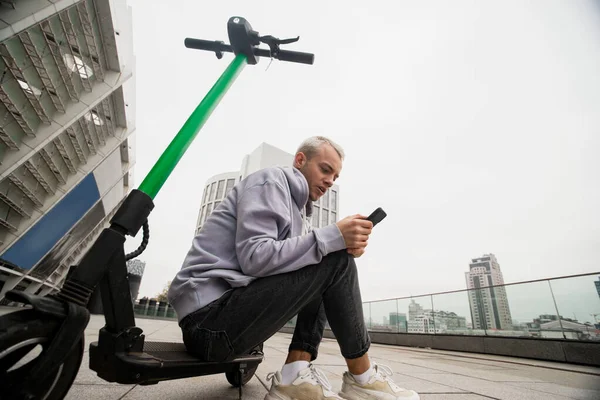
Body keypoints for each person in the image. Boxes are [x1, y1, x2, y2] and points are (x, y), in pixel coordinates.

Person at [168, 136, 420, 400]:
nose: (330, 180)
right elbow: (255, 257)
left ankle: (294, 374)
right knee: (333, 260)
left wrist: (339, 244)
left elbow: (293, 268)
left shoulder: (299, 212)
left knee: (330, 258)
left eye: (335, 176)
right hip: (208, 322)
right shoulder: (270, 181)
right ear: (300, 160)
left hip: (223, 320)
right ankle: (363, 378)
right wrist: (332, 239)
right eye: (325, 169)